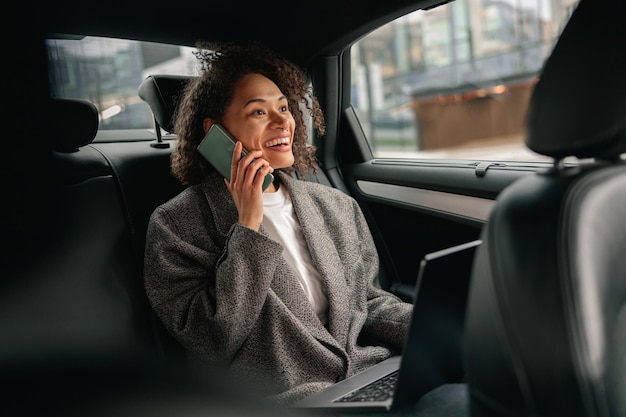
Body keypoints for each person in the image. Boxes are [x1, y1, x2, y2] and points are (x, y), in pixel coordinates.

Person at [143, 40, 413, 406]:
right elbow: (211, 342)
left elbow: (368, 303)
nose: (284, 121)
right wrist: (248, 227)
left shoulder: (336, 206)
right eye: (259, 112)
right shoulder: (176, 225)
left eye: (284, 107)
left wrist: (436, 323)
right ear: (215, 131)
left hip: (373, 377)